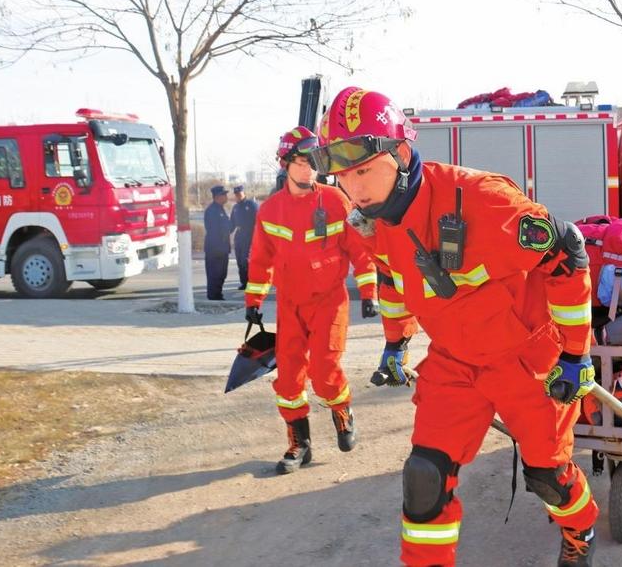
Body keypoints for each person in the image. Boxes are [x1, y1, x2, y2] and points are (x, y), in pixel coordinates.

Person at [312, 86, 599, 567]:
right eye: (343, 175)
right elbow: (393, 281)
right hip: (454, 361)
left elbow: (566, 253)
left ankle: (580, 530)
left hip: (526, 360)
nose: (354, 188)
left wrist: (575, 353)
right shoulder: (372, 222)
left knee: (548, 476)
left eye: (363, 170)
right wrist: (395, 345)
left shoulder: (483, 200)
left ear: (401, 154)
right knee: (425, 477)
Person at [244, 125, 379, 475]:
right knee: (288, 380)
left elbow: (361, 250)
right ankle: (299, 444)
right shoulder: (270, 211)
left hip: (329, 302)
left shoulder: (336, 201)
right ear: (285, 164)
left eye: (314, 163)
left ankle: (343, 412)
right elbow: (260, 259)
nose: (309, 170)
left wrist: (369, 292)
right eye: (302, 163)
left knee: (323, 371)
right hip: (289, 306)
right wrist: (254, 300)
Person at [204, 185, 231, 300]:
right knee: (215, 274)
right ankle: (214, 296)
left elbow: (226, 227)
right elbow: (214, 231)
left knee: (222, 274)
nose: (226, 197)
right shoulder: (212, 210)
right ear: (217, 197)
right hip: (215, 249)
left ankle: (218, 294)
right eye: (224, 195)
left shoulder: (220, 209)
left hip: (222, 248)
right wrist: (219, 248)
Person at [229, 185, 258, 290]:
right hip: (239, 236)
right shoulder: (235, 208)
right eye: (236, 194)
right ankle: (244, 282)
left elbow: (259, 220)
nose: (238, 196)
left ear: (244, 193)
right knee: (239, 261)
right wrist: (223, 232)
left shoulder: (251, 205)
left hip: (250, 235)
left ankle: (252, 282)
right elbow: (232, 224)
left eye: (239, 194)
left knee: (246, 260)